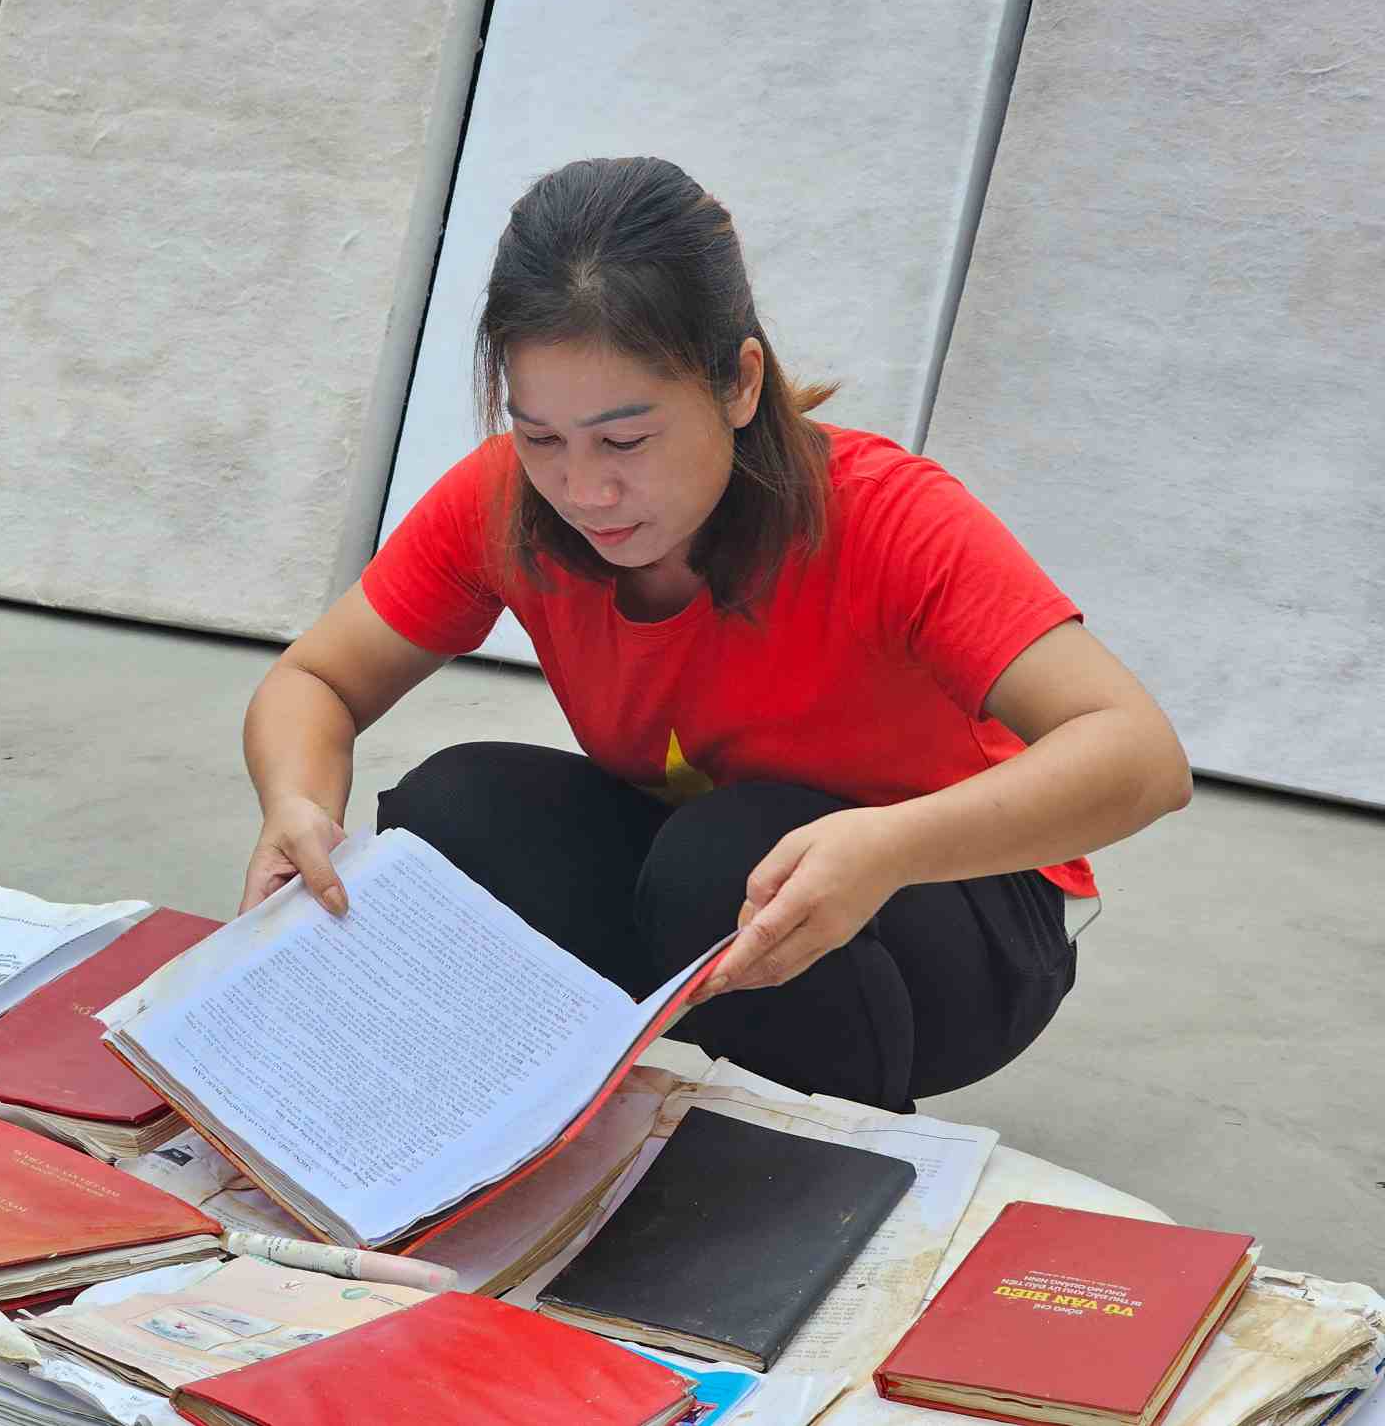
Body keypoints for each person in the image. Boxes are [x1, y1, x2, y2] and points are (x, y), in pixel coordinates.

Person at [239, 157, 1191, 1113]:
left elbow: (1140, 757)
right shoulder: (503, 504)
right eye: (541, 438)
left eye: (625, 440)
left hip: (955, 902)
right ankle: (536, 1129)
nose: (584, 491)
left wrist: (894, 846)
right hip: (709, 871)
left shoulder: (880, 515)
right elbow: (317, 680)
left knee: (728, 857)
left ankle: (806, 1170)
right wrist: (297, 802)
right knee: (452, 812)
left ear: (740, 383)